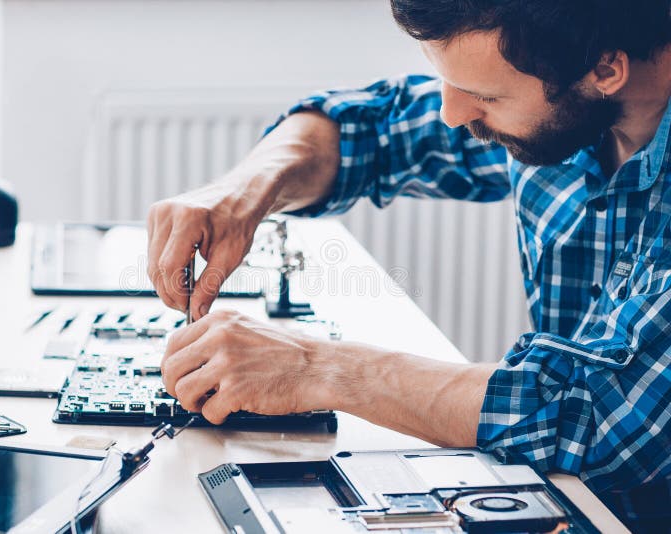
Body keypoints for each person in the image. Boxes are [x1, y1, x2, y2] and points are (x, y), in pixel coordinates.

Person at [148, 1, 671, 530]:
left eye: (485, 95)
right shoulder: (568, 94)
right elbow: (375, 128)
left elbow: (594, 415)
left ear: (605, 70)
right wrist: (243, 191)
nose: (452, 113)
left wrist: (316, 368)